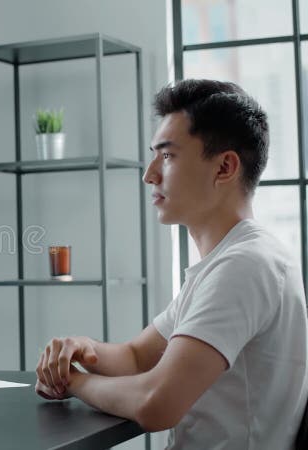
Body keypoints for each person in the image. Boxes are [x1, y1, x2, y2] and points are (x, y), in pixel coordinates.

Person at [35, 79, 308, 448]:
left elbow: (156, 403)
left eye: (167, 156)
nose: (149, 174)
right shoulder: (228, 261)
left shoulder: (246, 265)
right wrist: (83, 349)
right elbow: (137, 358)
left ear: (225, 167)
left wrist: (74, 382)